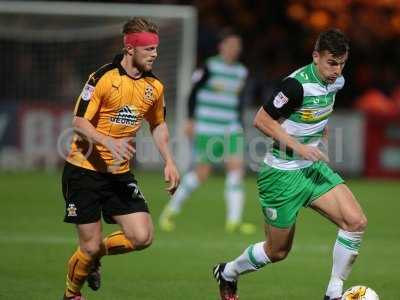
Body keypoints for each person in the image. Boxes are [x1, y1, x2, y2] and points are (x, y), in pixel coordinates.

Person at [212, 29, 367, 300]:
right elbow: (261, 120)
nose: (337, 70)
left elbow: (316, 112)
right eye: (332, 62)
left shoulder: (337, 81)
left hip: (311, 170)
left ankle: (333, 293)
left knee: (355, 222)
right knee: (277, 251)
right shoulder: (295, 85)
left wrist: (320, 133)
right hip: (281, 174)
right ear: (316, 56)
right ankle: (228, 271)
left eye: (342, 63)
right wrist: (300, 146)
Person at [61, 17, 180, 300]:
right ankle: (72, 293)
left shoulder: (154, 87)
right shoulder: (101, 78)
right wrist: (108, 141)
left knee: (142, 237)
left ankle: (90, 260)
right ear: (130, 49)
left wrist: (169, 160)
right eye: (148, 49)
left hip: (118, 173)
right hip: (84, 171)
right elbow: (79, 122)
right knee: (87, 248)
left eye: (155, 48)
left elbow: (158, 124)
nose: (155, 53)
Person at [159, 29, 255, 234]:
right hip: (207, 127)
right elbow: (192, 94)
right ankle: (170, 211)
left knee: (236, 168)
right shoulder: (210, 66)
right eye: (230, 45)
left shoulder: (241, 71)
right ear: (221, 47)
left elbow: (238, 101)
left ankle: (234, 221)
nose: (234, 49)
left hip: (230, 127)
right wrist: (190, 120)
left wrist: (239, 123)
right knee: (202, 173)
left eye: (237, 46)